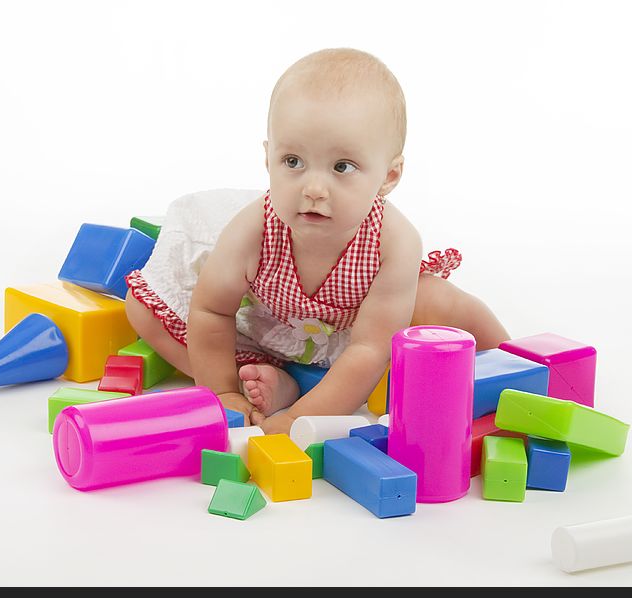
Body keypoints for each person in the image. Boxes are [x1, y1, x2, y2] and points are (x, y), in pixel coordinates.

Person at [125, 48, 509, 435]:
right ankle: (256, 383)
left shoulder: (393, 241)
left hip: (364, 334)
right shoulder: (254, 228)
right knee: (141, 308)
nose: (312, 188)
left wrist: (297, 420)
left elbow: (368, 349)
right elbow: (212, 312)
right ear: (268, 157)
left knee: (438, 300)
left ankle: (517, 360)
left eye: (342, 167)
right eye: (293, 161)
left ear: (389, 176)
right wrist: (221, 391)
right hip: (274, 324)